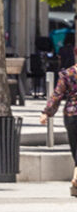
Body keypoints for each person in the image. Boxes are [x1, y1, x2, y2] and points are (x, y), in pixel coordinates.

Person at [38, 58, 77, 194]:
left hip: (71, 115)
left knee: (75, 148)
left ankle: (76, 180)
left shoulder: (67, 74)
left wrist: (46, 113)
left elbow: (57, 95)